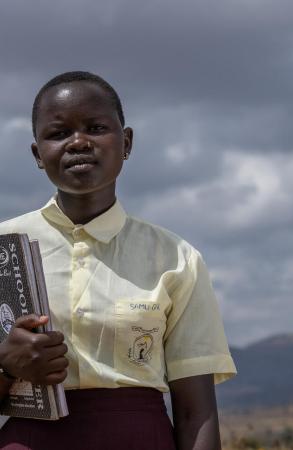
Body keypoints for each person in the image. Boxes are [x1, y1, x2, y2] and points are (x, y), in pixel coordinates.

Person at [0, 71, 237, 449]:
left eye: (95, 127)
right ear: (37, 155)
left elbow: (196, 412)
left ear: (125, 142)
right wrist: (6, 366)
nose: (78, 142)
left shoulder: (176, 258)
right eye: (59, 134)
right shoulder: (4, 248)